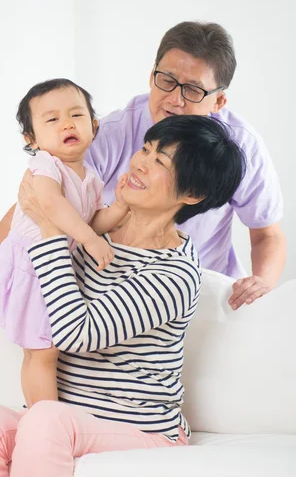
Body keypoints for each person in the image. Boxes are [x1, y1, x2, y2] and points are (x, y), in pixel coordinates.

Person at [0, 114, 246, 477]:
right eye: (146, 149)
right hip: (65, 420)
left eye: (161, 162)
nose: (141, 163)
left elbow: (77, 331)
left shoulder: (175, 273)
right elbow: (29, 243)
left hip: (140, 429)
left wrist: (52, 230)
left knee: (45, 419)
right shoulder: (94, 232)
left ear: (193, 193)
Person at [85, 21, 286, 310]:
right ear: (151, 74)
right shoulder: (113, 132)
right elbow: (45, 197)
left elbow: (267, 234)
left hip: (206, 292)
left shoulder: (240, 147)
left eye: (192, 90)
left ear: (219, 101)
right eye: (166, 80)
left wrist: (261, 283)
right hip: (118, 286)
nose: (174, 100)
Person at [0, 78, 129, 405]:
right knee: (43, 351)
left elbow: (90, 219)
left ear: (94, 126)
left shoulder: (91, 178)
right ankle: (43, 418)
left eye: (76, 115)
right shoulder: (45, 165)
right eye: (52, 119)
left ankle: (43, 418)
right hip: (30, 266)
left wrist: (119, 207)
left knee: (45, 350)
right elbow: (50, 204)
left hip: (51, 269)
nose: (66, 123)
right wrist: (90, 240)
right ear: (31, 139)